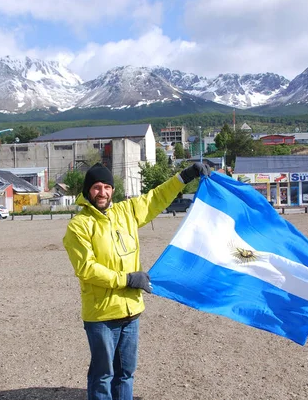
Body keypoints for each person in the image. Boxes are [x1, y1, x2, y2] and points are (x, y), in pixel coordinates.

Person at [63, 162, 210, 400]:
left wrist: (185, 176)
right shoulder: (79, 226)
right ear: (88, 190)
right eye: (97, 187)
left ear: (113, 190)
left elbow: (157, 197)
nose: (102, 192)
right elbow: (87, 269)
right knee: (103, 375)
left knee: (126, 373)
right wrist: (128, 279)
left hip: (131, 312)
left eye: (107, 187)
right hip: (102, 316)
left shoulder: (126, 212)